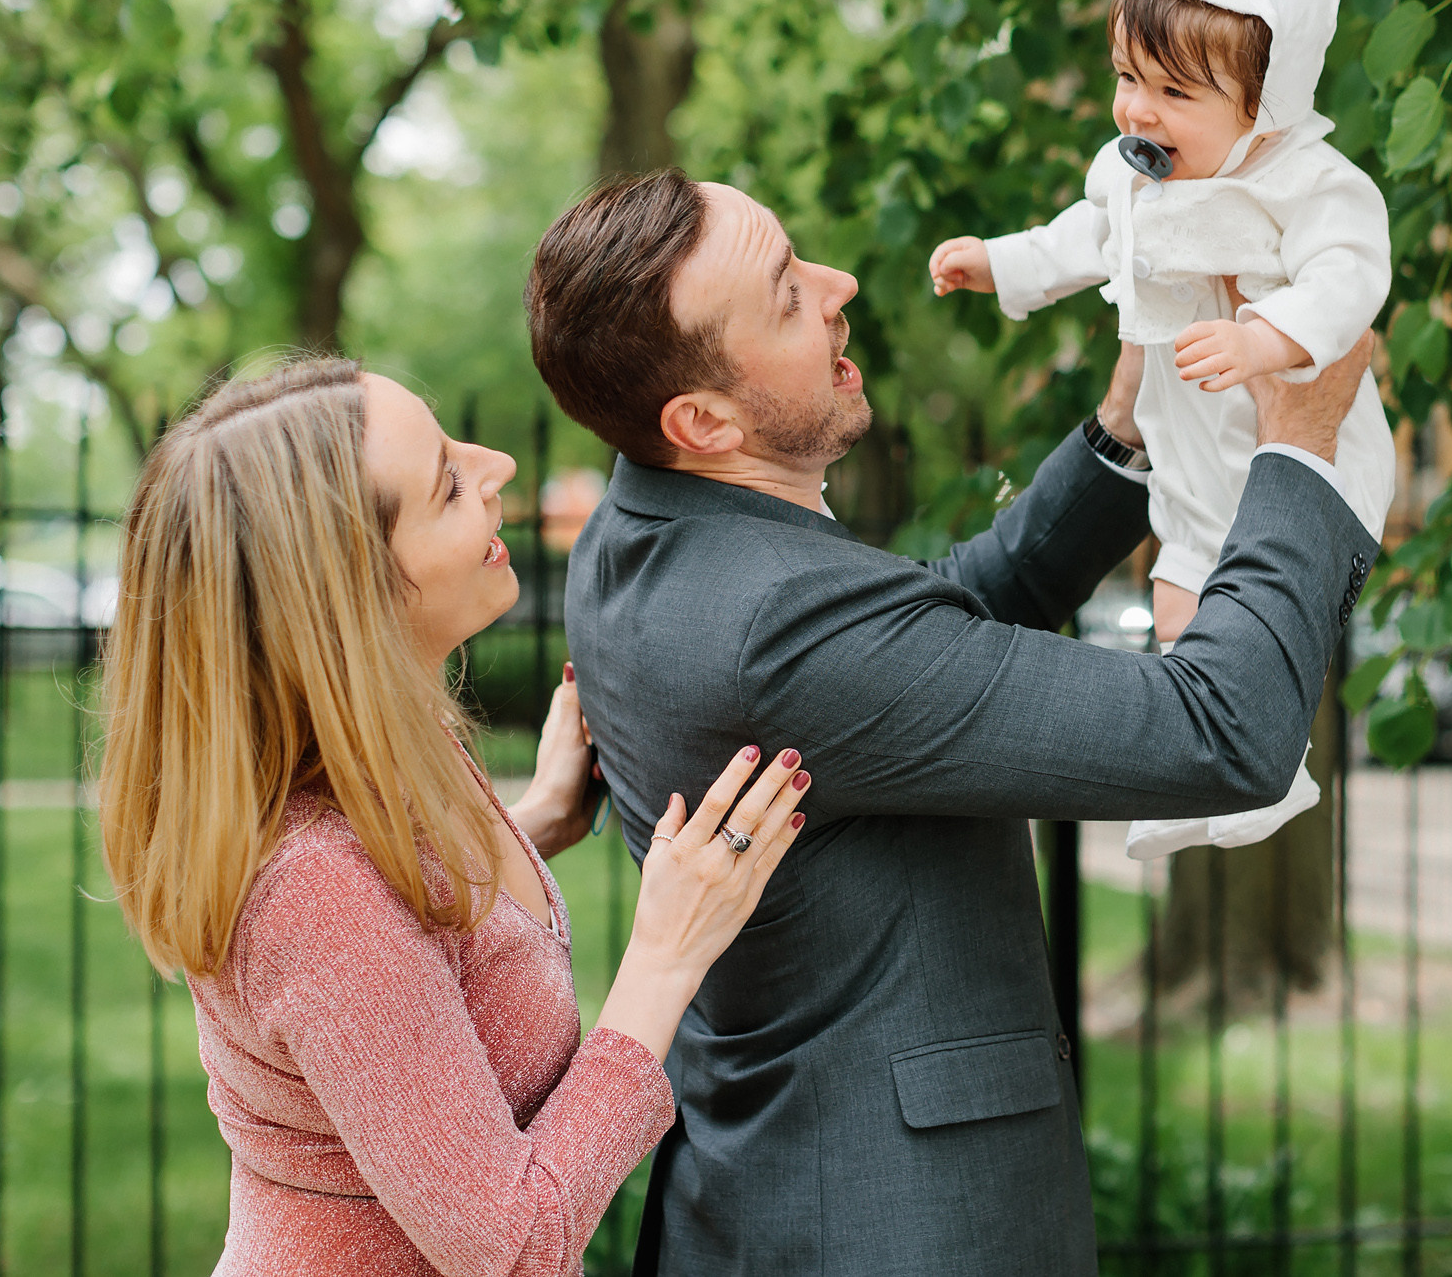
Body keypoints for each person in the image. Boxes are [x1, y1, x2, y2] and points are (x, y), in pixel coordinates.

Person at [525, 168, 1380, 1277]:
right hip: (897, 1226)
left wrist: (1127, 426)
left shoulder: (638, 533)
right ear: (702, 418)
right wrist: (1296, 447)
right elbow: (1221, 732)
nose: (838, 288)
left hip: (767, 1195)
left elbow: (917, 643)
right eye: (787, 295)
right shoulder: (779, 621)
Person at [93, 357, 812, 1276]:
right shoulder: (312, 891)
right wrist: (666, 953)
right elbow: (514, 1246)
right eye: (446, 484)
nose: (498, 465)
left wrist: (536, 820)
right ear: (350, 600)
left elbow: (411, 960)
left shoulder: (386, 761)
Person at [928, 0, 1397, 858]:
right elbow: (1083, 234)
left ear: (1267, 106)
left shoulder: (1308, 183)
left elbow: (1351, 277)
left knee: (1267, 607)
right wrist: (1001, 264)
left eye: (1175, 92)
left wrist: (1263, 337)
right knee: (1183, 610)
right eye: (1126, 76)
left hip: (1288, 430)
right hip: (1183, 451)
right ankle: (1211, 786)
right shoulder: (1131, 169)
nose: (1137, 109)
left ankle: (1272, 756)